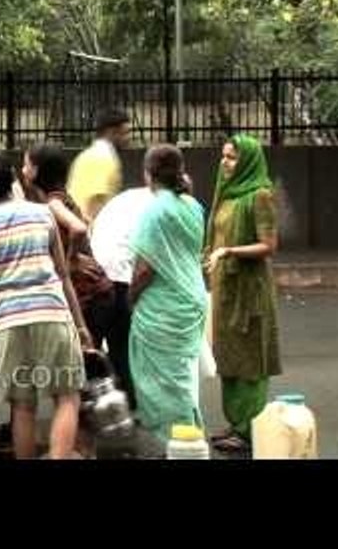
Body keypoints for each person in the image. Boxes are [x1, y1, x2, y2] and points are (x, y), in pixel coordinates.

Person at [0, 151, 93, 459]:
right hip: (52, 312)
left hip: (8, 321)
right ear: (13, 177)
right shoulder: (43, 214)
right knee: (66, 396)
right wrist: (80, 325)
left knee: (23, 406)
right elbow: (63, 275)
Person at [204, 134, 281, 454]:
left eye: (232, 158)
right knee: (229, 355)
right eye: (223, 156)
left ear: (248, 161)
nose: (225, 162)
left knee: (251, 360)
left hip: (251, 290)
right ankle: (236, 423)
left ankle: (250, 429)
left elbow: (269, 245)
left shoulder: (259, 195)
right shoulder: (227, 193)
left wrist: (230, 251)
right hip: (226, 288)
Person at [128, 145, 209, 444]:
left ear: (148, 174)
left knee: (164, 383)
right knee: (181, 377)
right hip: (192, 298)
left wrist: (131, 296)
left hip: (163, 305)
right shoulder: (192, 205)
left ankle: (180, 443)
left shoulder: (153, 211)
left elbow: (145, 268)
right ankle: (190, 436)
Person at [22, 144, 117, 387]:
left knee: (80, 369)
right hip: (97, 294)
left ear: (37, 171)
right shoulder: (62, 197)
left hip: (89, 296)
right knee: (84, 368)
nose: (22, 170)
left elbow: (79, 228)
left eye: (26, 164)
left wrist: (70, 261)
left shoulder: (54, 204)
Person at [89, 186, 156, 408]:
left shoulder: (128, 199)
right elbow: (147, 264)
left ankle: (98, 403)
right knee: (121, 344)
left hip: (100, 277)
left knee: (103, 344)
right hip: (118, 277)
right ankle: (126, 401)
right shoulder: (158, 206)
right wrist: (133, 294)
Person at [67, 108, 131, 223]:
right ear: (111, 132)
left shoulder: (90, 154)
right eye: (125, 133)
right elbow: (96, 203)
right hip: (90, 227)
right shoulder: (103, 158)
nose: (128, 138)